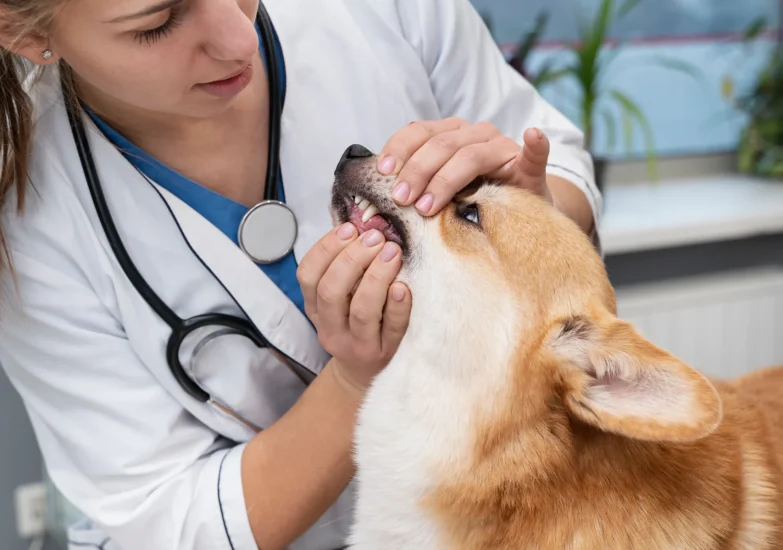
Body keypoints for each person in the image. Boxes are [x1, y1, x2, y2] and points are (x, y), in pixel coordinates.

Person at [0, 0, 602, 548]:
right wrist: (355, 381)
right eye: (157, 22)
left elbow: (557, 157)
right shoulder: (32, 220)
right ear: (21, 31)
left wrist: (532, 212)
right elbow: (166, 521)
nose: (239, 39)